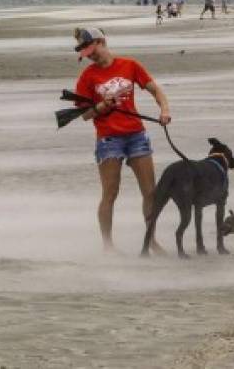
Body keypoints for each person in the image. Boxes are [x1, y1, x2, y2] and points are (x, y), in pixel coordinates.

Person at [72, 27, 171, 252]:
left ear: (101, 41)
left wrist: (164, 110)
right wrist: (101, 105)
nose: (91, 56)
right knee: (110, 193)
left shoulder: (130, 65)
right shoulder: (87, 77)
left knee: (150, 192)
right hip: (108, 139)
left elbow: (156, 91)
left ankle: (151, 241)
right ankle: (108, 245)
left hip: (136, 135)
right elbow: (84, 115)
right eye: (87, 54)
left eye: (92, 49)